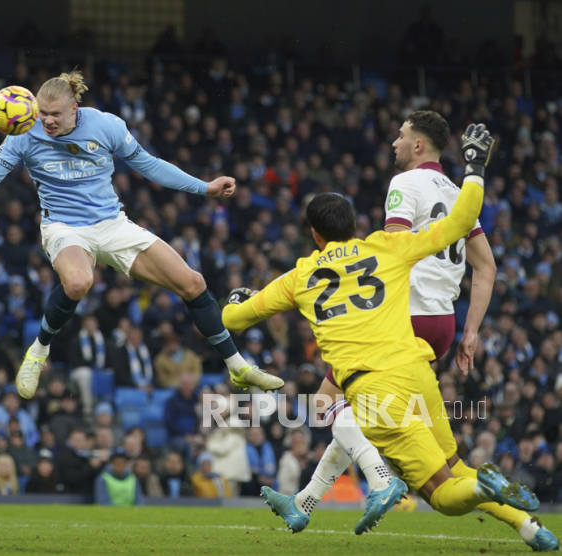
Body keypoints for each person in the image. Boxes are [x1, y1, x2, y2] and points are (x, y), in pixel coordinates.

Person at [223, 125, 550, 543]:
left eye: (400, 135)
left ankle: (379, 480)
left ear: (314, 234)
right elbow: (470, 236)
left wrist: (236, 299)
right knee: (443, 458)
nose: (395, 142)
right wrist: (474, 169)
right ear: (355, 224)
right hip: (427, 343)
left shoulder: (300, 275)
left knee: (435, 487)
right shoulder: (386, 246)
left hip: (387, 354)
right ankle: (526, 525)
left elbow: (233, 320)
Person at [0, 70, 282, 399]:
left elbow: (149, 165)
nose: (47, 120)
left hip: (112, 224)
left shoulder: (105, 125)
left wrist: (204, 187)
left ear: (75, 109)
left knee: (193, 283)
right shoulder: (23, 134)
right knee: (78, 283)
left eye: (55, 114)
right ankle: (37, 353)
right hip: (64, 226)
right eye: (42, 112)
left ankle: (238, 366)